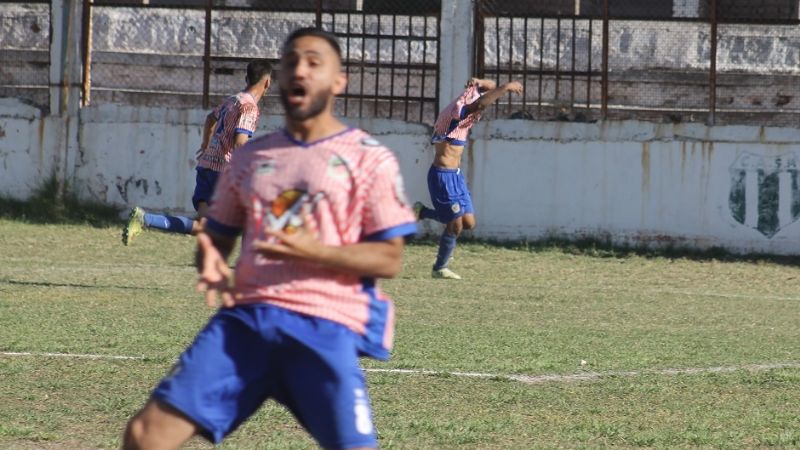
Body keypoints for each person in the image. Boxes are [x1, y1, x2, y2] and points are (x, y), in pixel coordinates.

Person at [122, 27, 417, 450]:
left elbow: (389, 258)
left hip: (323, 325)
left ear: (339, 81)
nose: (300, 68)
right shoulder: (250, 158)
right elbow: (217, 236)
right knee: (145, 436)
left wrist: (315, 250)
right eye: (292, 61)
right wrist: (209, 257)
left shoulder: (369, 157)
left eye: (314, 61)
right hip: (248, 322)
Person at [121, 59, 273, 245]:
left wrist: (206, 145)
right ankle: (249, 264)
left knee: (203, 226)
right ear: (267, 83)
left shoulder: (232, 100)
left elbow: (210, 119)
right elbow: (240, 143)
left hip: (207, 166)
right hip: (223, 172)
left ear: (246, 78)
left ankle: (145, 219)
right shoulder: (249, 107)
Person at [414, 77, 523, 279]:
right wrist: (506, 87)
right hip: (442, 177)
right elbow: (481, 103)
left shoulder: (468, 97)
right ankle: (440, 267)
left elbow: (487, 89)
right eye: (478, 110)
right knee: (455, 225)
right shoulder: (458, 111)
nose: (479, 113)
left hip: (456, 176)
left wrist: (481, 81)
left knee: (469, 223)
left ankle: (424, 212)